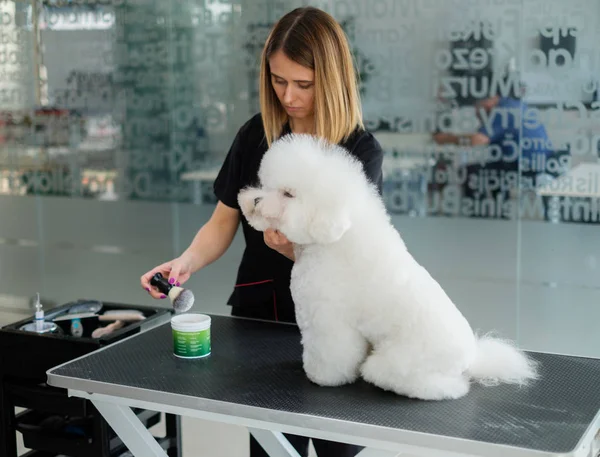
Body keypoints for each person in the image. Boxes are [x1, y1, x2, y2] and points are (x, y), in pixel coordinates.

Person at [141, 6, 383, 457]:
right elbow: (222, 220)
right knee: (271, 448)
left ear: (331, 79)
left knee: (338, 448)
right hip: (262, 317)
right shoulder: (256, 135)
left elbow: (357, 259)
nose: (288, 95)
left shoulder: (360, 152)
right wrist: (184, 263)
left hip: (337, 324)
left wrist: (297, 252)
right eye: (278, 80)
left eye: (303, 84)